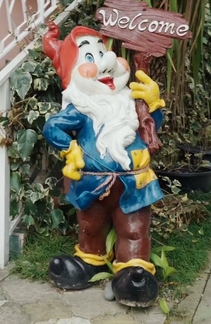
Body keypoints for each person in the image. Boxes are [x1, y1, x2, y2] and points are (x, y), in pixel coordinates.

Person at [41, 22, 165, 307]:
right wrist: (70, 148)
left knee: (134, 230)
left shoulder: (131, 103)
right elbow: (52, 128)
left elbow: (150, 130)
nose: (106, 62)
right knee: (90, 228)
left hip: (133, 186)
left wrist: (154, 104)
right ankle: (89, 261)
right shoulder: (81, 109)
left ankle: (133, 272)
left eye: (104, 52)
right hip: (91, 186)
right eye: (89, 57)